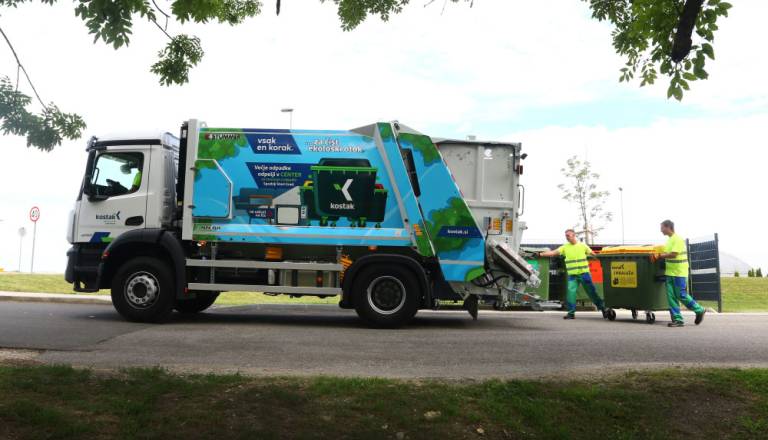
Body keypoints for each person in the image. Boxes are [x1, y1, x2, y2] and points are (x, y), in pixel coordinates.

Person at [539, 229, 607, 319]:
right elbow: (553, 252)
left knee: (592, 293)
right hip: (573, 275)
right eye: (566, 236)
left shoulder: (583, 245)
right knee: (570, 294)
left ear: (574, 235)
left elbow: (593, 254)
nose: (567, 237)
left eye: (568, 235)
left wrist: (602, 261)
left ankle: (603, 309)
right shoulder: (564, 247)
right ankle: (571, 313)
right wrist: (541, 254)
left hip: (584, 274)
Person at [657, 220, 705, 327]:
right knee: (671, 297)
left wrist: (660, 256)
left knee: (681, 295)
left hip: (679, 273)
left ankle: (699, 310)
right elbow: (666, 253)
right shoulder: (669, 240)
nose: (661, 230)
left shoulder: (677, 239)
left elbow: (673, 254)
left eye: (662, 228)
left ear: (668, 227)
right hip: (669, 272)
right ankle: (678, 320)